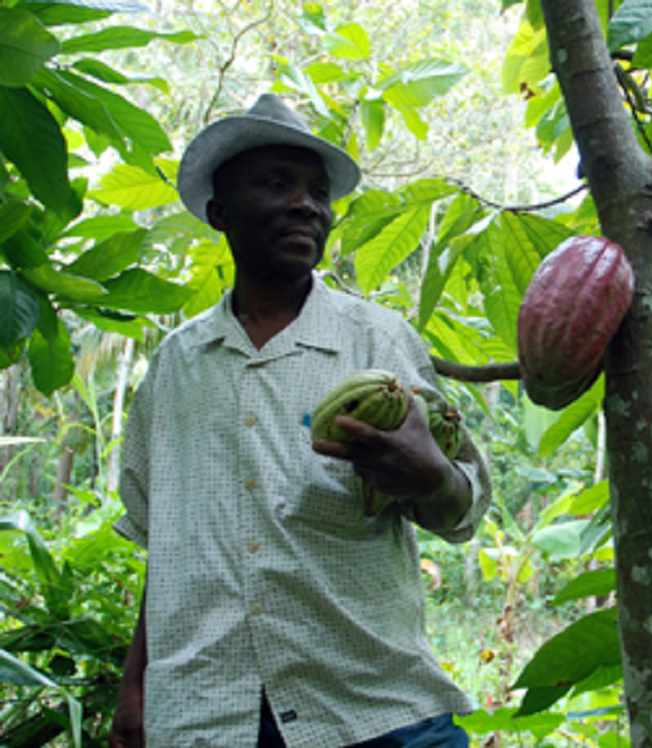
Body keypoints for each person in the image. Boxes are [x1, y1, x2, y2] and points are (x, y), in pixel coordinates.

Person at [108, 93, 492, 748]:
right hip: (208, 714)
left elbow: (465, 510)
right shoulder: (176, 366)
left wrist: (431, 475)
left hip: (371, 708)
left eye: (317, 191)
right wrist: (136, 685)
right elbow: (168, 543)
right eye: (277, 184)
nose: (306, 204)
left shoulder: (378, 341)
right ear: (220, 212)